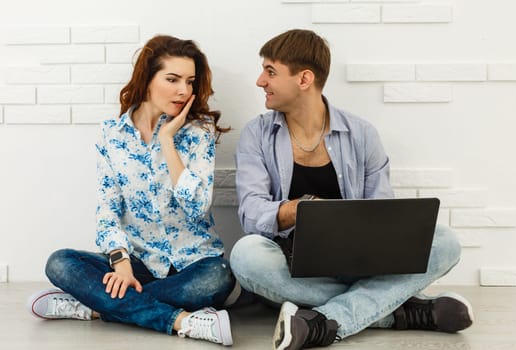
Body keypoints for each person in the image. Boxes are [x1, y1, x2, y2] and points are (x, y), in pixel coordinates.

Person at [229, 29, 474, 350]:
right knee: (245, 256)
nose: (261, 81)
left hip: (363, 262)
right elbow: (251, 214)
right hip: (293, 267)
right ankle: (401, 310)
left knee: (445, 241)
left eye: (271, 71)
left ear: (304, 79)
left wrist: (361, 236)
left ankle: (326, 322)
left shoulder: (362, 134)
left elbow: (384, 216)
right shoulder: (257, 135)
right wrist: (300, 210)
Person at [26, 35, 235, 346]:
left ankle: (95, 307)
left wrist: (167, 140)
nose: (184, 90)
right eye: (172, 79)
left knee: (218, 278)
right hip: (140, 263)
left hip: (195, 263)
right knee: (59, 262)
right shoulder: (112, 135)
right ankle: (181, 320)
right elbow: (107, 208)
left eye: (190, 81)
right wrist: (121, 262)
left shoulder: (198, 131)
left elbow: (196, 207)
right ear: (147, 79)